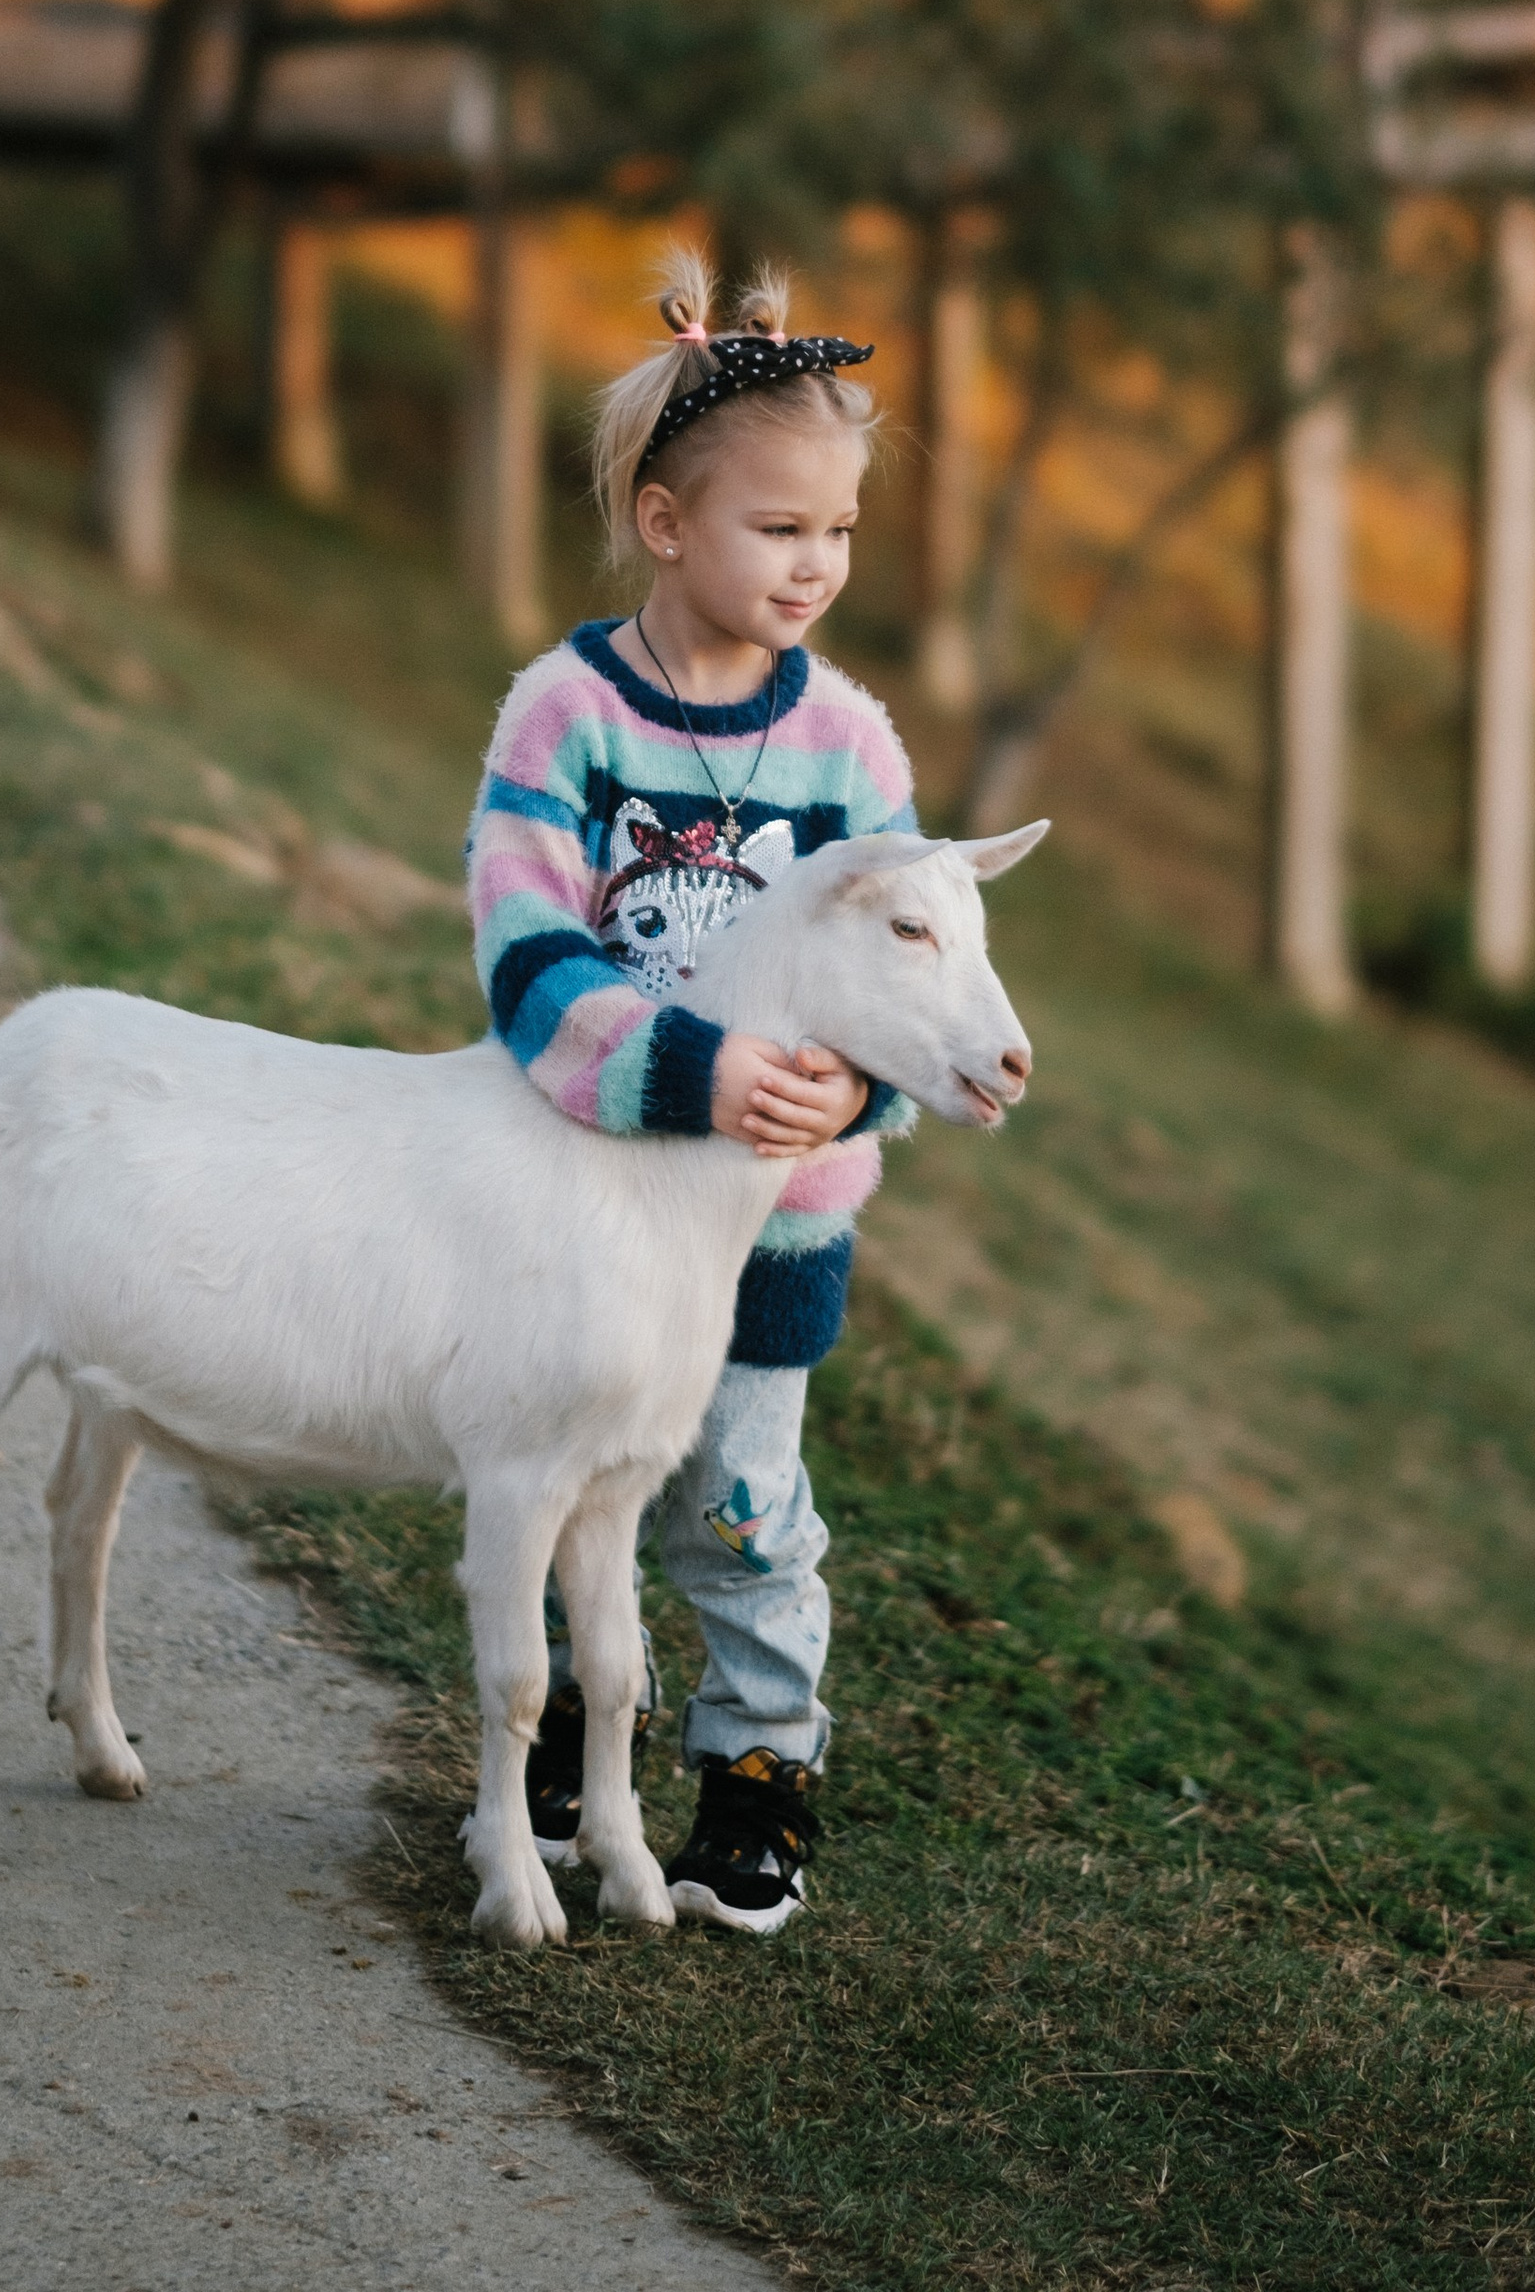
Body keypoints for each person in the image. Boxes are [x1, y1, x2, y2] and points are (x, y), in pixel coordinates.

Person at [464, 246, 918, 1933]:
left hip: (767, 1229)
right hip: (585, 1209)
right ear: (665, 522)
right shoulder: (567, 717)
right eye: (779, 529)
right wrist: (697, 1067)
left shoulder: (851, 755)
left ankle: (756, 1767)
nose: (818, 567)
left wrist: (850, 1105)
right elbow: (526, 956)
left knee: (738, 1505)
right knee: (575, 1486)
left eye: (842, 533)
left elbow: (902, 983)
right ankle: (578, 1736)